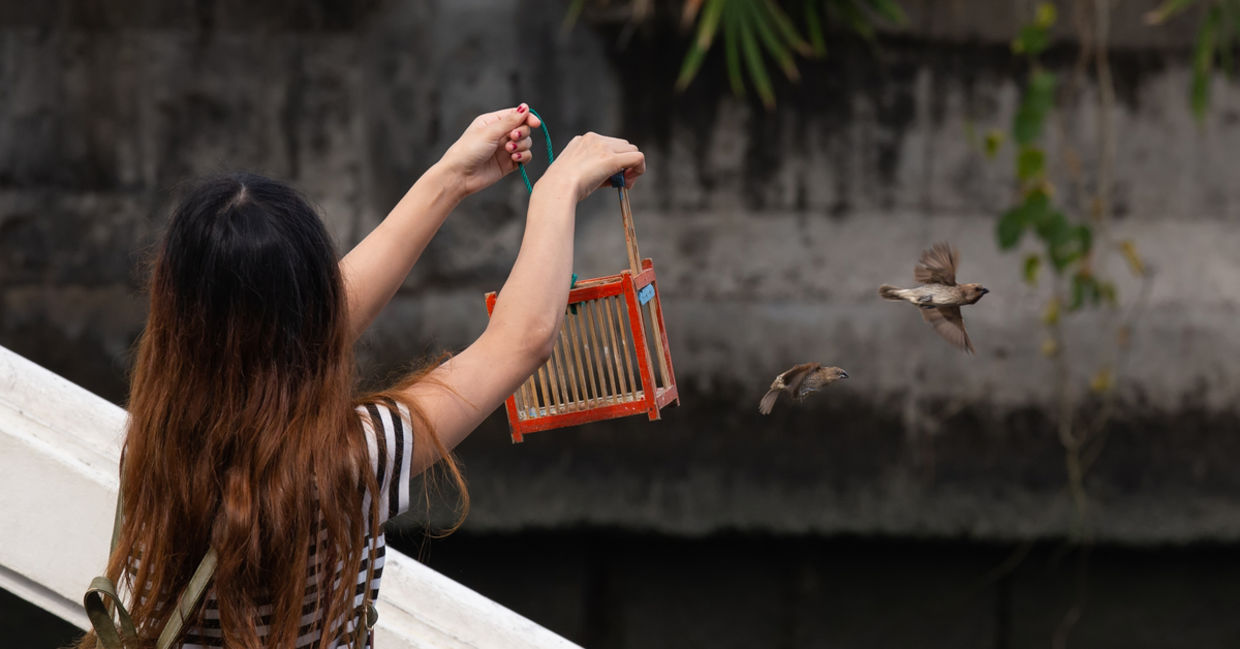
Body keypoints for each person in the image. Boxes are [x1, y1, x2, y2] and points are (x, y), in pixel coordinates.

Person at [76, 103, 645, 649]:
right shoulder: (345, 461)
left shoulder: (161, 435)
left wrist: (450, 178)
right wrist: (556, 192)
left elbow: (297, 330)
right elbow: (521, 341)